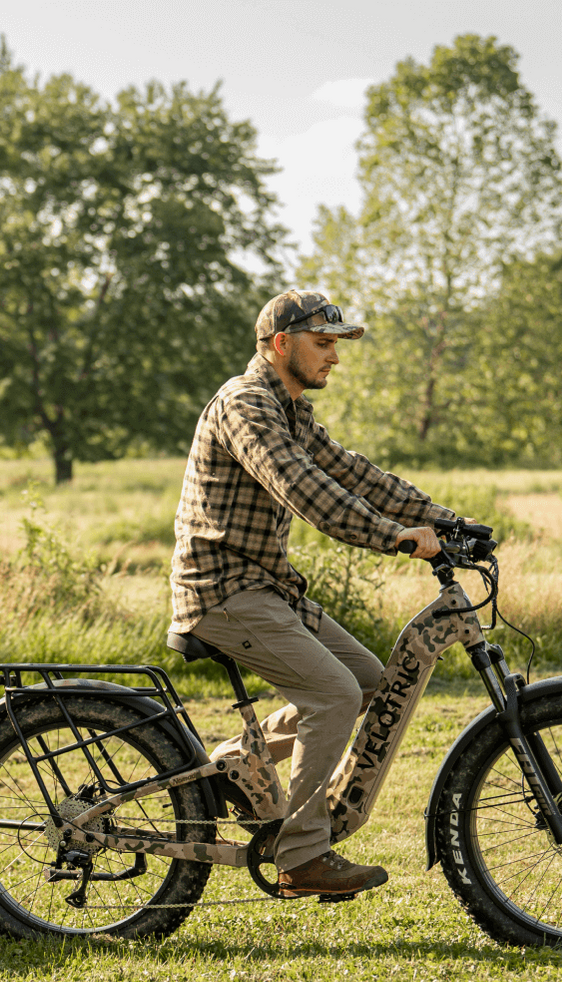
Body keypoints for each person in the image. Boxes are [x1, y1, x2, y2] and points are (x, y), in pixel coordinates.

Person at [169, 290, 455, 896]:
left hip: (266, 588)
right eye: (323, 344)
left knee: (371, 679)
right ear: (281, 345)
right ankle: (301, 856)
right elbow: (302, 486)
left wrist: (444, 519)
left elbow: (351, 472)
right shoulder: (245, 406)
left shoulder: (292, 410)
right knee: (333, 692)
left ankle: (233, 765)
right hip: (222, 590)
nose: (334, 357)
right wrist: (393, 536)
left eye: (336, 345)